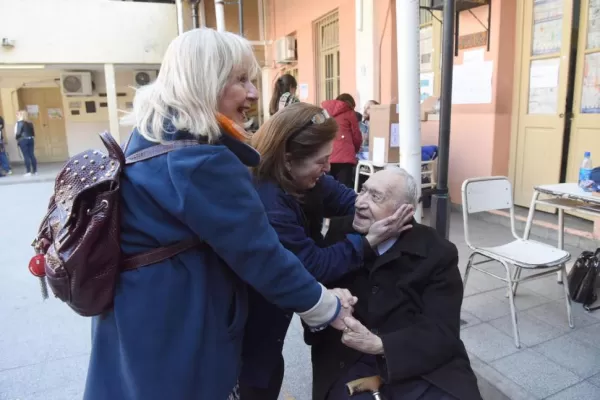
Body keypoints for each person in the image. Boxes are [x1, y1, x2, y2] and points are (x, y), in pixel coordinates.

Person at [84, 28, 357, 400]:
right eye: (241, 80)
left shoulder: (149, 137)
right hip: (178, 324)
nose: (254, 93)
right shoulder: (200, 161)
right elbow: (260, 254)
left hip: (135, 315)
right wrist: (324, 306)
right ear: (205, 81)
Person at [239, 102, 414, 400]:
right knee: (258, 376)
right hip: (253, 312)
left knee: (269, 368)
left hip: (273, 310)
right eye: (320, 162)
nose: (328, 168)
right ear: (288, 160)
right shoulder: (268, 201)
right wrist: (368, 240)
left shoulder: (306, 180)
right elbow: (311, 266)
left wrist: (378, 209)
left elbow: (346, 198)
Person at [311, 168, 483, 400]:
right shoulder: (341, 233)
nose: (360, 202)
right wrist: (328, 302)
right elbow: (312, 299)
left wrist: (381, 345)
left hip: (420, 361)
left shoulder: (437, 251)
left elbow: (442, 331)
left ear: (405, 211)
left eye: (375, 197)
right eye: (362, 190)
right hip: (350, 358)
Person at [321, 93, 362, 188]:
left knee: (328, 187)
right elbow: (356, 136)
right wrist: (355, 150)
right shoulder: (350, 113)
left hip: (328, 154)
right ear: (350, 104)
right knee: (343, 188)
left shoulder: (325, 112)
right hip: (345, 158)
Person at [14, 110, 37, 176]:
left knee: (26, 155)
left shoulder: (19, 123)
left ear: (21, 115)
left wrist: (17, 138)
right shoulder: (30, 123)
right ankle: (35, 171)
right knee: (32, 155)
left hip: (23, 140)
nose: (16, 116)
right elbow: (33, 133)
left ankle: (28, 171)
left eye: (17, 114)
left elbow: (17, 133)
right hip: (31, 139)